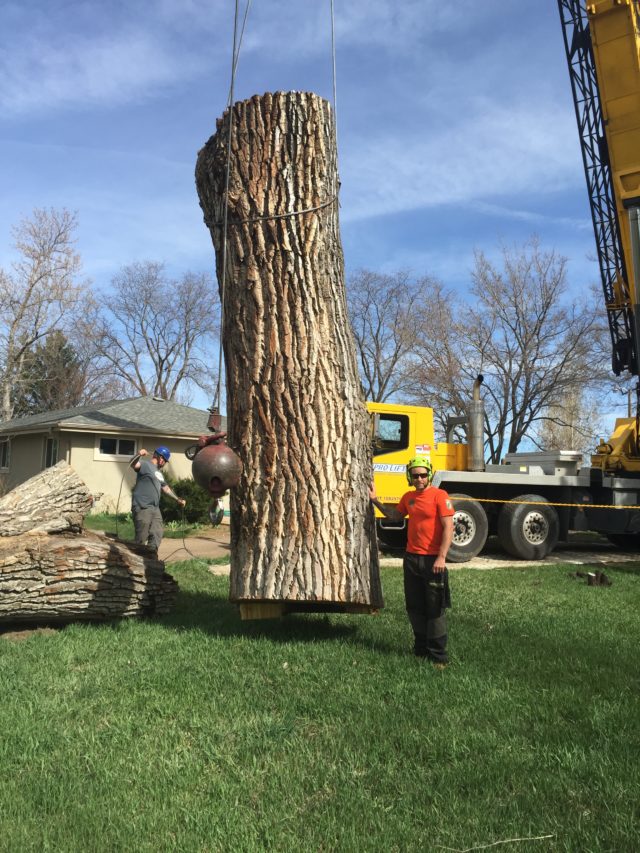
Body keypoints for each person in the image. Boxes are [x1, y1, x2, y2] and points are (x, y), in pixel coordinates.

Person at [370, 455, 454, 665]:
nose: (419, 479)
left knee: (434, 608)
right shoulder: (408, 497)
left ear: (429, 475)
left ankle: (438, 656)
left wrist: (441, 558)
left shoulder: (439, 495)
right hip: (411, 560)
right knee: (414, 606)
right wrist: (375, 500)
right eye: (415, 475)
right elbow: (395, 516)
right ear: (410, 476)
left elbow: (448, 528)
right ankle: (420, 648)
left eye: (423, 475)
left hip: (433, 561)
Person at [130, 446, 186, 551]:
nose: (164, 463)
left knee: (157, 532)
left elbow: (165, 488)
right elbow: (133, 464)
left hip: (155, 508)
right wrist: (138, 454)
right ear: (160, 458)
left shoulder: (159, 473)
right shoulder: (145, 465)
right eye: (165, 460)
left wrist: (177, 499)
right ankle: (136, 559)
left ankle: (151, 557)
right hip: (143, 506)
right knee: (141, 538)